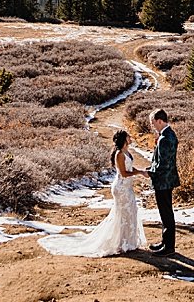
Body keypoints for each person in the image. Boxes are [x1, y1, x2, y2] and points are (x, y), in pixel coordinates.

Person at [40, 129, 148, 257]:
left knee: (130, 211)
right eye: (128, 136)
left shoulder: (127, 152)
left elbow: (129, 168)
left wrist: (140, 172)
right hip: (121, 188)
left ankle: (128, 242)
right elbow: (124, 173)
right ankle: (120, 243)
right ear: (124, 139)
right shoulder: (119, 154)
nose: (131, 137)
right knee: (122, 214)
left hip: (127, 187)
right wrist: (138, 173)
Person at [147, 108, 180, 254]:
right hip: (167, 180)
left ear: (160, 121)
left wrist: (149, 172)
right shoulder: (169, 134)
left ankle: (169, 247)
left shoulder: (165, 138)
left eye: (154, 123)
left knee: (166, 213)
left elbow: (164, 164)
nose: (153, 126)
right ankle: (165, 242)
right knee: (165, 213)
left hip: (163, 181)